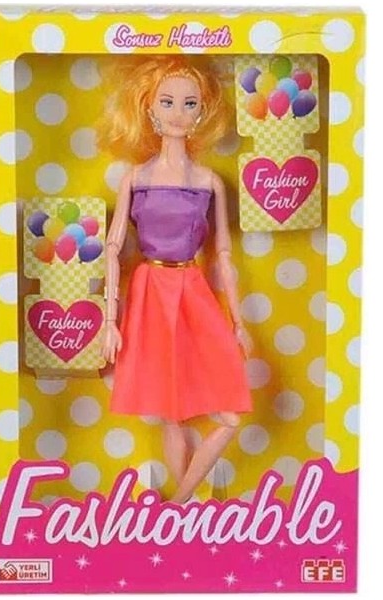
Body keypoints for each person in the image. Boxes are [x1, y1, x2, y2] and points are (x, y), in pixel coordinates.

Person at [98, 56, 253, 503]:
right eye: (167, 102)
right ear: (150, 108)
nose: (178, 113)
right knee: (171, 412)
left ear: (202, 111)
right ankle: (185, 512)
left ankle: (179, 502)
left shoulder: (208, 181)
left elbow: (223, 253)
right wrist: (109, 320)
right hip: (150, 292)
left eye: (189, 103)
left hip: (192, 289)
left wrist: (239, 321)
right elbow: (112, 248)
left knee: (229, 417)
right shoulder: (136, 178)